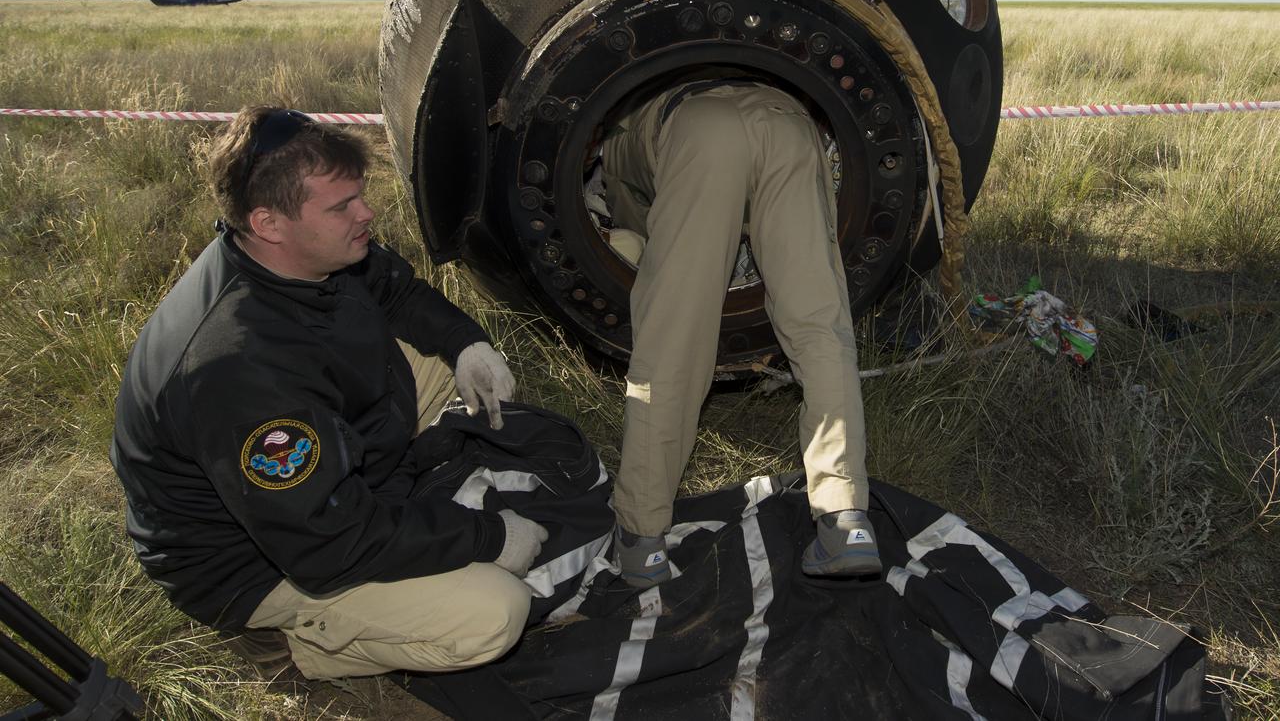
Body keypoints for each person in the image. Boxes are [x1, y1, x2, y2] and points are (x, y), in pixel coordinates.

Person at [110, 107, 548, 681]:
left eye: (359, 196)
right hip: (256, 565)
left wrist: (466, 343)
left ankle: (400, 497)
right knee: (494, 612)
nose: (366, 214)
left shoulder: (308, 253)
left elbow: (398, 292)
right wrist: (488, 537)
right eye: (342, 206)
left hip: (311, 474)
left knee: (439, 367)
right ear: (268, 222)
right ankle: (297, 647)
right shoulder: (234, 368)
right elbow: (328, 543)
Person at [601, 80, 880, 586]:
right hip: (790, 122)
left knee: (674, 337)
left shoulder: (616, 136)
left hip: (699, 128)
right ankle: (846, 520)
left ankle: (642, 537)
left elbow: (631, 240)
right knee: (820, 326)